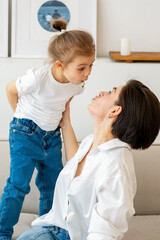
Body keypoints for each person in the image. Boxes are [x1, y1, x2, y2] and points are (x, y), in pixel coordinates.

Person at [17, 80, 160, 240]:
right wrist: (66, 123)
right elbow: (78, 170)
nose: (102, 92)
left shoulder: (117, 164)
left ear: (115, 110)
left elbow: (105, 231)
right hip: (48, 229)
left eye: (111, 92)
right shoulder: (91, 142)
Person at [0, 20, 95, 240]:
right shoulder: (38, 77)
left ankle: (48, 229)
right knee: (18, 186)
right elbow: (9, 90)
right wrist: (22, 119)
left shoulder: (78, 84)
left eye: (91, 65)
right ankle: (3, 233)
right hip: (25, 133)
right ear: (60, 65)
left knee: (53, 185)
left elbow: (63, 103)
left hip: (52, 136)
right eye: (82, 67)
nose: (87, 73)